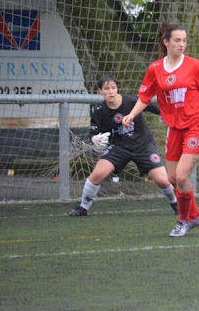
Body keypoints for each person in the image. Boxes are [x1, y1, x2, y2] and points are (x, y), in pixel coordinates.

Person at [122, 22, 199, 238]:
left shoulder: (195, 66)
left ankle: (183, 221)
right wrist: (131, 115)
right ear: (166, 42)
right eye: (177, 40)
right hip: (174, 129)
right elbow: (145, 97)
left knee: (183, 176)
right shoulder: (155, 69)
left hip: (197, 125)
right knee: (173, 179)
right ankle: (194, 215)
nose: (182, 44)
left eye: (184, 40)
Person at [69, 75, 177, 217]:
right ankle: (83, 207)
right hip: (119, 148)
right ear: (100, 91)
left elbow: (153, 107)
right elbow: (93, 133)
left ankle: (176, 204)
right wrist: (95, 139)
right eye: (106, 89)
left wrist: (168, 115)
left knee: (162, 180)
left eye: (113, 88)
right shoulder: (100, 111)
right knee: (97, 175)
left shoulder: (131, 101)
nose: (111, 92)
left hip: (143, 145)